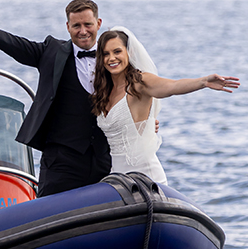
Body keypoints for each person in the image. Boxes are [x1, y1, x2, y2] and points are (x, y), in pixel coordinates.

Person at [0, 0, 111, 196]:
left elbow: (137, 90)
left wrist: (147, 121)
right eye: (76, 25)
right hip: (62, 160)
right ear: (68, 27)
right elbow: (10, 43)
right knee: (49, 214)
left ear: (98, 23)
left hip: (105, 159)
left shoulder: (114, 57)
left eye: (88, 24)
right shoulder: (51, 51)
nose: (83, 31)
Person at [92, 27, 239, 184]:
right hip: (118, 179)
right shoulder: (104, 91)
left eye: (117, 51)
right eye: (106, 54)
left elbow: (172, 86)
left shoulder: (139, 83)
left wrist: (203, 82)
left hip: (147, 179)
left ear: (129, 53)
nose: (111, 58)